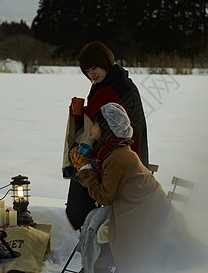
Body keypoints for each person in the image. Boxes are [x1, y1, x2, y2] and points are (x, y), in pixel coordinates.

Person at [72, 103, 200, 273]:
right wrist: (88, 163)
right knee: (96, 223)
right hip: (146, 205)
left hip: (142, 212)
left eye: (94, 123)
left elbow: (104, 197)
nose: (91, 127)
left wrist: (85, 172)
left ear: (106, 128)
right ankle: (98, 267)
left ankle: (98, 268)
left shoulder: (116, 157)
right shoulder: (116, 150)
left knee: (97, 229)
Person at [62, 41, 149, 230]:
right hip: (104, 151)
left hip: (122, 156)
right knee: (81, 171)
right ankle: (88, 228)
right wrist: (80, 115)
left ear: (106, 62)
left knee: (85, 174)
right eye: (87, 71)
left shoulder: (123, 88)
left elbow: (131, 127)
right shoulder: (100, 85)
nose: (91, 74)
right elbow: (100, 115)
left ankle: (95, 230)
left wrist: (130, 160)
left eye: (94, 68)